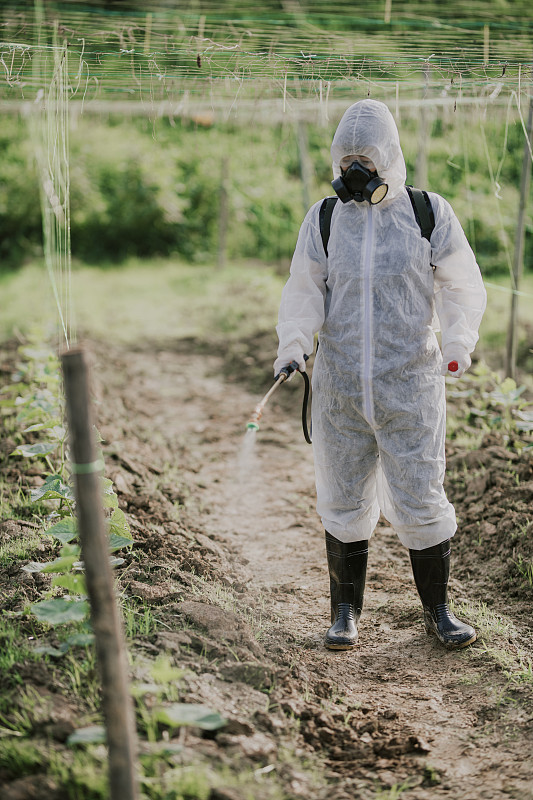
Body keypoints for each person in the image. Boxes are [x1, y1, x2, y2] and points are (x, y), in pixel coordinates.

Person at [274, 99, 487, 651]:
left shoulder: (427, 213)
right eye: (346, 160)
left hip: (409, 383)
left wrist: (458, 342)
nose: (354, 171)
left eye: (364, 159)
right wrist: (293, 345)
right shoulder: (325, 217)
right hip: (341, 386)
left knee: (422, 494)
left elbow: (461, 285)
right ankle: (345, 613)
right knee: (342, 498)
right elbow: (304, 291)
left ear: (389, 157)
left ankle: (439, 612)